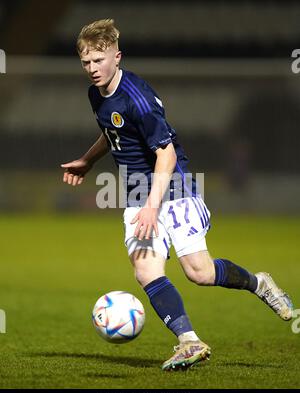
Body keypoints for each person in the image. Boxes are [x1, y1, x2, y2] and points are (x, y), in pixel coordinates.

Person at [61, 19, 293, 371]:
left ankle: (259, 283)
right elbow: (112, 133)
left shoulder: (138, 98)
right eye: (86, 62)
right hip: (139, 192)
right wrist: (87, 161)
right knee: (145, 271)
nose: (92, 69)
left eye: (99, 60)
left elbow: (166, 155)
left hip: (173, 186)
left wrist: (152, 207)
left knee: (198, 272)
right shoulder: (97, 93)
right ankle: (189, 341)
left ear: (117, 57)